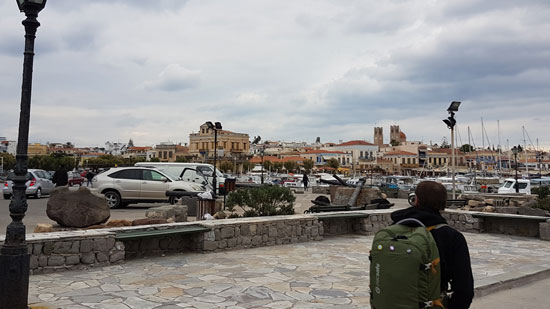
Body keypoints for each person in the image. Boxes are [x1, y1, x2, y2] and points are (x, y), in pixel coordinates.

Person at [390, 181, 474, 309]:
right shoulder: (451, 237)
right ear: (443, 204)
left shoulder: (392, 230)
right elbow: (464, 290)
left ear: (416, 199)